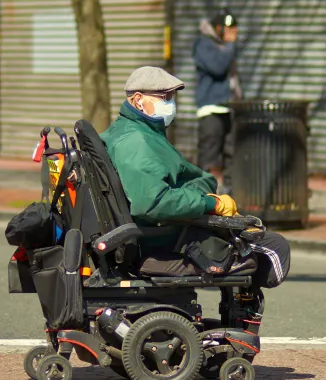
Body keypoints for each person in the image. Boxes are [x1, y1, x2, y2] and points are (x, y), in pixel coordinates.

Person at [100, 66, 290, 293]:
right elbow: (152, 202)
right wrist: (210, 203)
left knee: (252, 238)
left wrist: (205, 195)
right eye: (165, 97)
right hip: (169, 236)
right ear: (139, 100)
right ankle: (243, 310)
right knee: (274, 247)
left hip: (173, 226)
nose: (171, 104)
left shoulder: (134, 131)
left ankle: (238, 304)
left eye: (173, 97)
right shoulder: (136, 141)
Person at [192, 8, 242, 193]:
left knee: (231, 153)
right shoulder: (203, 44)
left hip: (229, 108)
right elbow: (217, 67)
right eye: (228, 29)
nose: (232, 34)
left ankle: (229, 194)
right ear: (218, 28)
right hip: (211, 108)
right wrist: (230, 45)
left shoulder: (226, 47)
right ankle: (204, 194)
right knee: (209, 155)